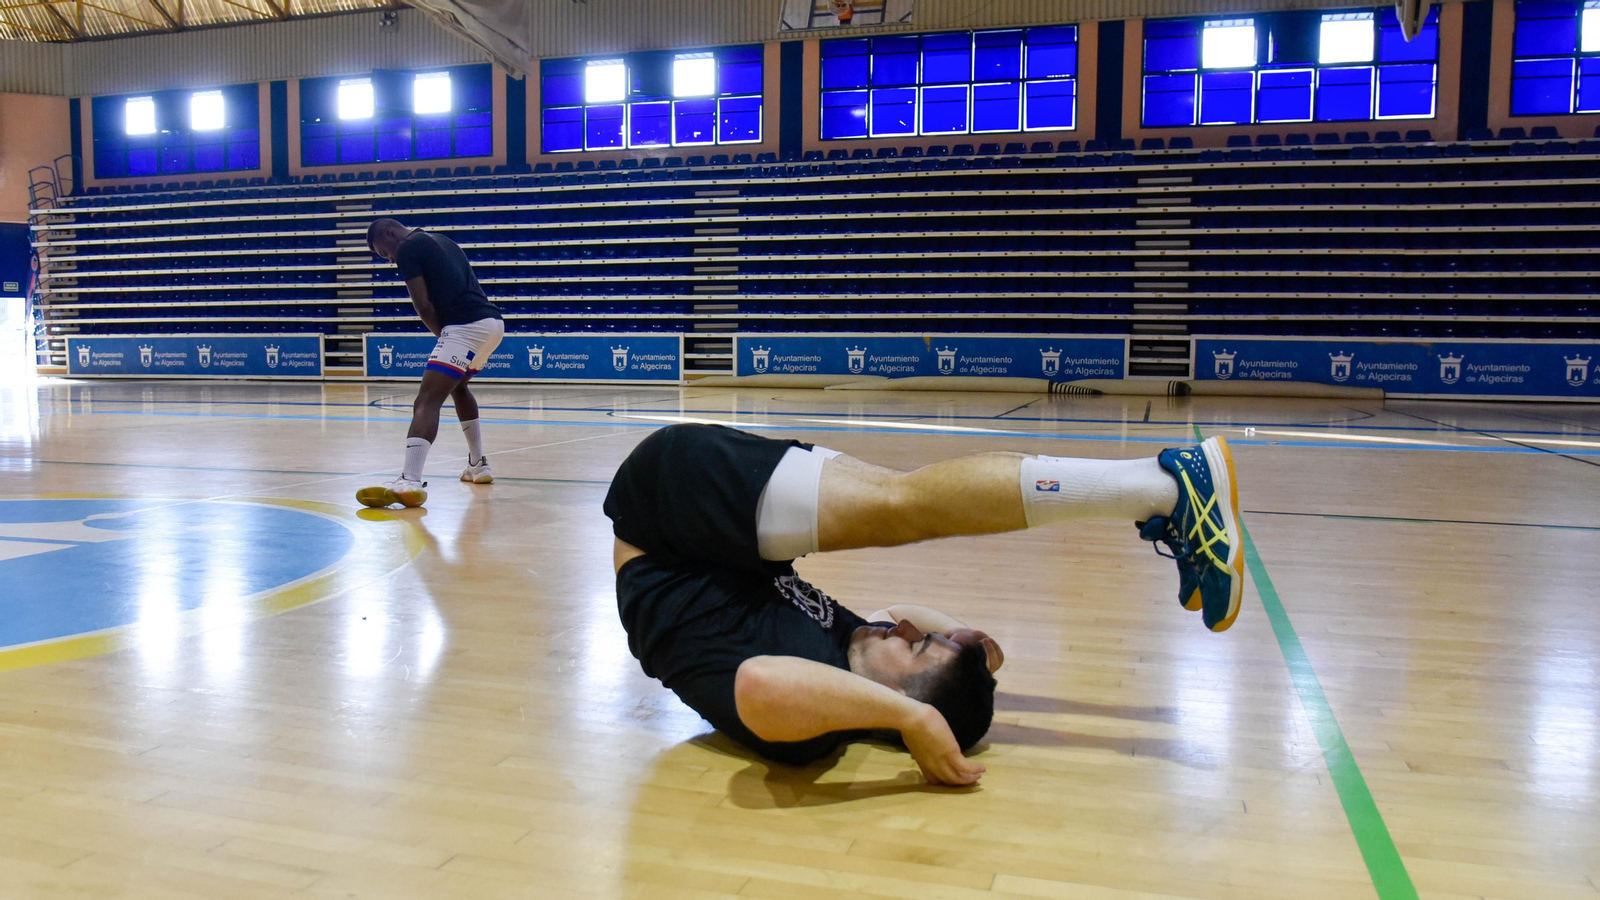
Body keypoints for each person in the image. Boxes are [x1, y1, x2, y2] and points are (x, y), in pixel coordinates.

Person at [604, 423, 1244, 786]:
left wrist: (917, 723)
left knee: (903, 506)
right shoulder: (853, 655)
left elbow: (760, 682)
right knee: (901, 502)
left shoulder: (809, 723)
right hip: (696, 522)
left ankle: (1160, 487)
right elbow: (900, 607)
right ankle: (1158, 487)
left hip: (666, 524)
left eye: (914, 645)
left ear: (900, 705)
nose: (905, 626)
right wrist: (964, 640)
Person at [357, 218, 504, 509]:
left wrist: (446, 337)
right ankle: (478, 465)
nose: (388, 260)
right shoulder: (442, 239)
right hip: (493, 324)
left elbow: (422, 305)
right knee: (458, 387)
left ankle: (409, 479)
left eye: (383, 252)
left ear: (388, 233)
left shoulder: (409, 247)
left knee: (426, 400)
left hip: (465, 327)